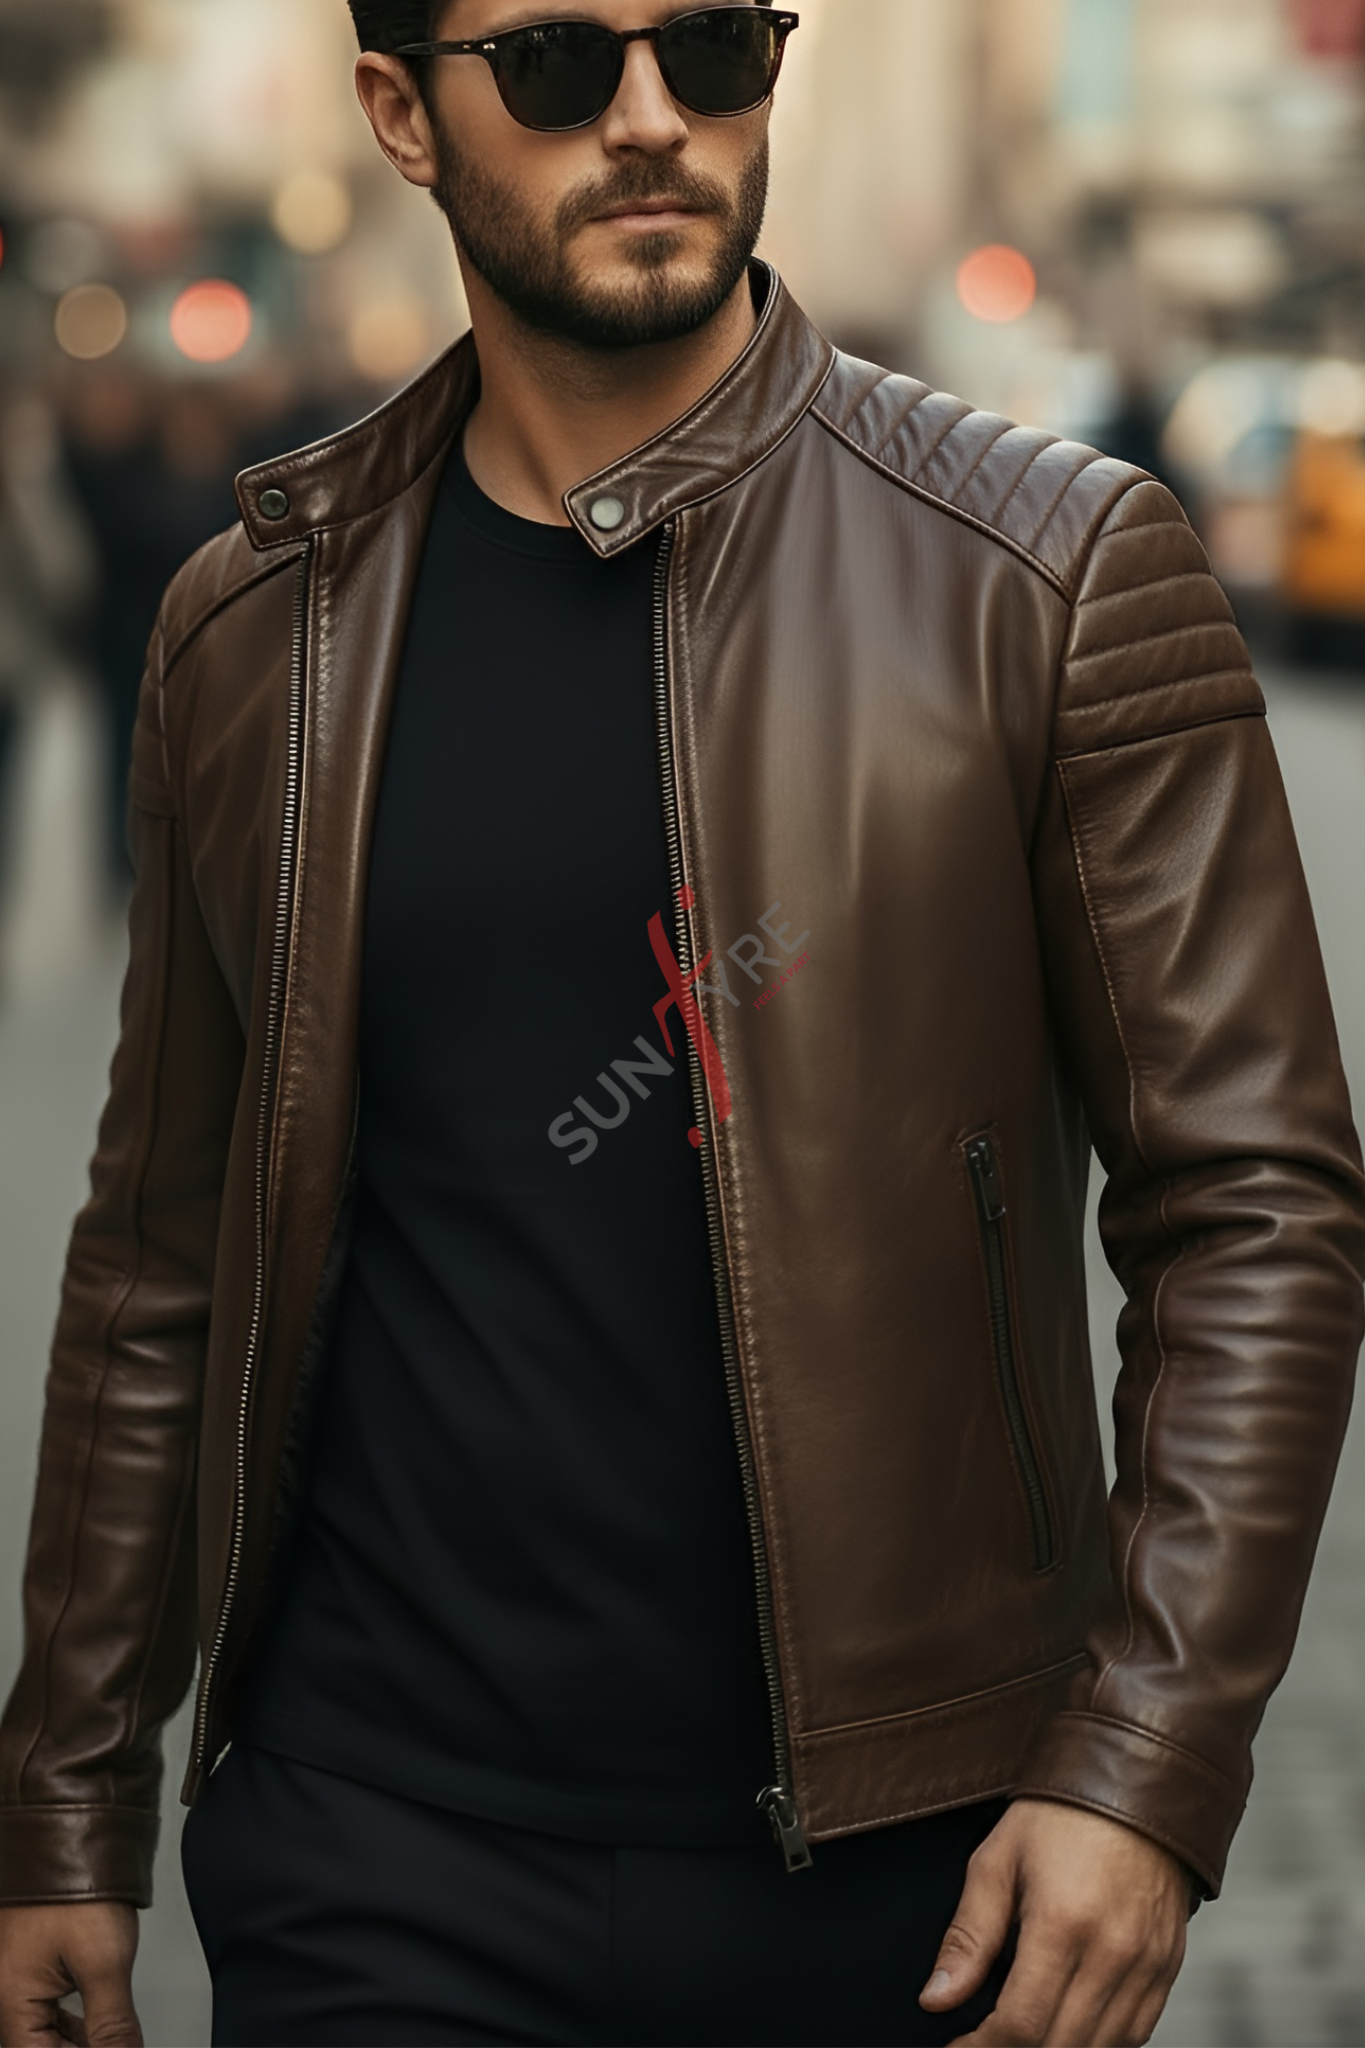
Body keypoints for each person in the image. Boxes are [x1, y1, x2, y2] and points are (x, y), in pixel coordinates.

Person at [0, 2, 1362, 2043]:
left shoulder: (1048, 574)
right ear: (401, 113)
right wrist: (64, 1797)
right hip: (378, 1854)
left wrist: (1144, 1766)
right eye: (556, 62)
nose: (651, 119)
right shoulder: (253, 634)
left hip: (917, 1884)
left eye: (712, 44)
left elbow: (1254, 1204)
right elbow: (157, 1270)